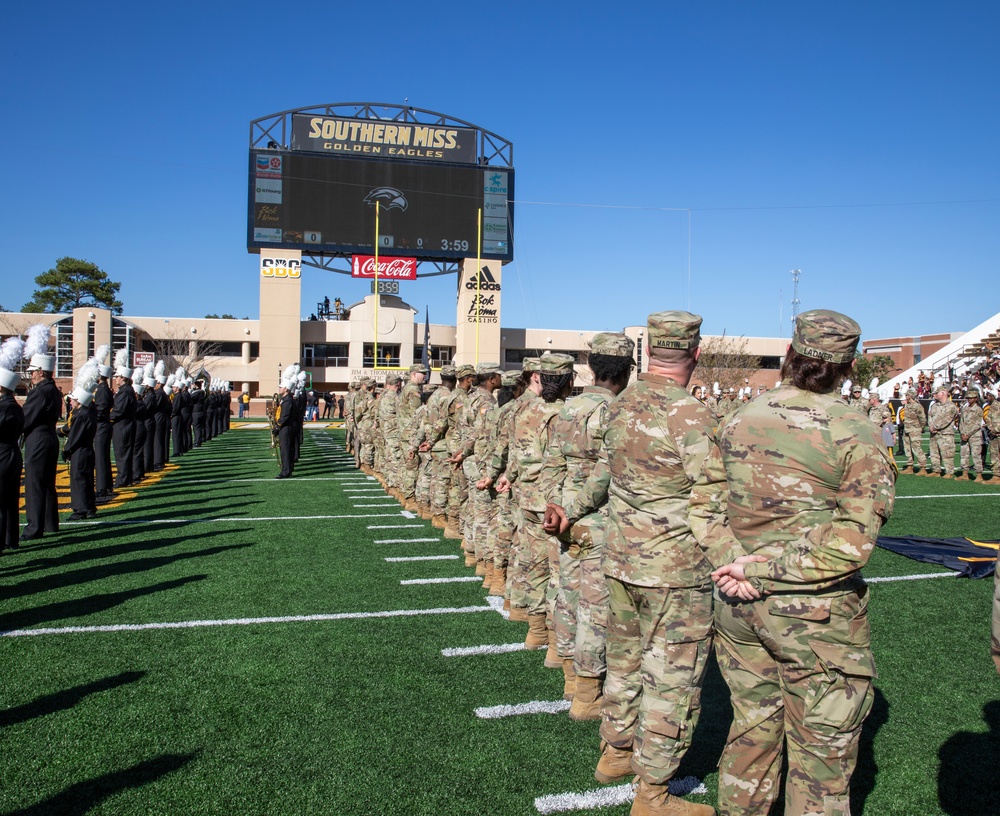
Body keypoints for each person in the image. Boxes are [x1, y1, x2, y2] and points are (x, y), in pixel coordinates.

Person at [690, 309, 896, 816]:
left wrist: (733, 564)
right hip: (813, 615)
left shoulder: (740, 416)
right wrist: (752, 570)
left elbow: (704, 502)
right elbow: (850, 542)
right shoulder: (856, 429)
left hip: (738, 608)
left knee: (752, 733)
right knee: (822, 757)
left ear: (789, 354)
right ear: (848, 367)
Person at [561, 313, 715, 816]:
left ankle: (616, 752)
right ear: (694, 353)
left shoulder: (621, 404)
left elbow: (604, 474)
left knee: (624, 664)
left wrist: (572, 508)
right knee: (671, 680)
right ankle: (653, 797)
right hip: (674, 570)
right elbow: (713, 500)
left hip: (620, 559)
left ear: (648, 352)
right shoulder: (691, 414)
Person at [542, 332, 636, 721]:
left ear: (592, 368)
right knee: (596, 610)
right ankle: (586, 694)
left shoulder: (565, 409)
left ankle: (567, 673)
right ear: (626, 372)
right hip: (598, 519)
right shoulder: (617, 411)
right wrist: (575, 509)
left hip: (565, 514)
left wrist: (555, 506)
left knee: (568, 593)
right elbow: (607, 471)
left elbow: (551, 462)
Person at [21, 345, 62, 542]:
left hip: (37, 440)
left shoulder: (40, 392)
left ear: (40, 371)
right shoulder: (53, 390)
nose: (31, 377)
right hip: (49, 438)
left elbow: (26, 418)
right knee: (47, 483)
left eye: (33, 372)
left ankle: (34, 527)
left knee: (34, 484)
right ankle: (50, 523)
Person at [0, 341, 25, 553]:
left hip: (3, 454)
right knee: (9, 501)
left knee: (2, 501)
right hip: (12, 454)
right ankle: (10, 539)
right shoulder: (13, 406)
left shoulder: (5, 408)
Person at [61, 383, 98, 520]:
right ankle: (89, 507)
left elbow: (75, 436)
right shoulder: (88, 412)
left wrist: (66, 449)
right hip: (87, 449)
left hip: (80, 451)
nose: (71, 401)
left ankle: (80, 509)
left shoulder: (82, 415)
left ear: (80, 401)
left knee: (79, 479)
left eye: (73, 399)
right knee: (86, 480)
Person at [927, 385, 959, 478]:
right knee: (934, 453)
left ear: (943, 393)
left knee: (947, 453)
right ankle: (936, 470)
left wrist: (936, 427)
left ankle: (949, 472)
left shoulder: (951, 406)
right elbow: (930, 416)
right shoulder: (934, 406)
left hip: (945, 434)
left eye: (936, 393)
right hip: (934, 433)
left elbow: (947, 419)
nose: (935, 395)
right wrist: (931, 426)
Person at [958, 389, 985, 481]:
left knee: (976, 455)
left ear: (976, 399)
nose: (969, 399)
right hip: (964, 435)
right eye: (968, 398)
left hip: (974, 436)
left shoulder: (978, 409)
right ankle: (965, 473)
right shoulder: (965, 409)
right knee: (964, 454)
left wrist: (968, 434)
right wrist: (962, 432)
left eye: (971, 398)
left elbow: (978, 424)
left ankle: (979, 475)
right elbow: (961, 422)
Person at [899, 388, 927, 473]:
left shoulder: (917, 406)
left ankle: (923, 467)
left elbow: (923, 419)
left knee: (916, 448)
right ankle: (910, 466)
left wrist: (920, 428)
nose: (906, 396)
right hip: (907, 429)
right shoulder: (907, 405)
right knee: (907, 448)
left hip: (915, 429)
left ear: (910, 395)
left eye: (907, 395)